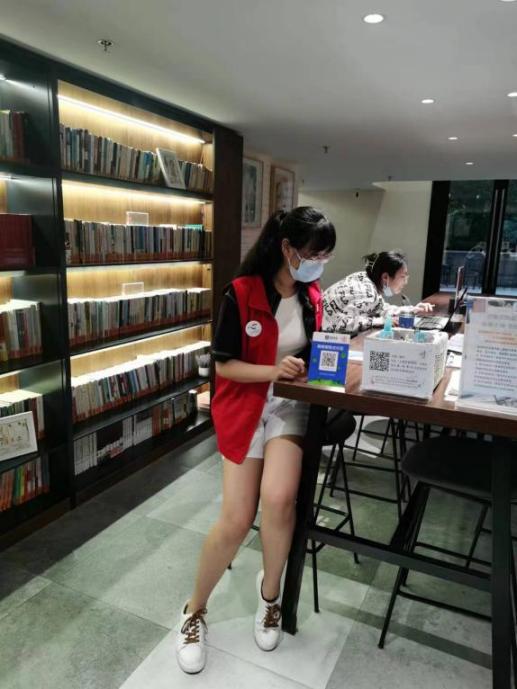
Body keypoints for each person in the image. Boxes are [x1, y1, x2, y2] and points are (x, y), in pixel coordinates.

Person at [176, 206, 336, 674]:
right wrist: (273, 371)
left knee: (280, 499)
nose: (318, 264)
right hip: (244, 406)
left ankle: (270, 599)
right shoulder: (242, 292)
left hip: (289, 406)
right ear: (287, 249)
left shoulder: (311, 296)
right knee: (236, 517)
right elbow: (223, 364)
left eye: (325, 256)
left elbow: (314, 352)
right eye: (313, 254)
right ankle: (194, 611)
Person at [323, 250, 433, 333]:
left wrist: (412, 310)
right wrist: (380, 321)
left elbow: (381, 309)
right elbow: (342, 323)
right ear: (385, 277)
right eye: (403, 277)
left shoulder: (366, 280)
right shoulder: (367, 293)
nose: (405, 282)